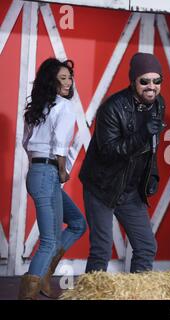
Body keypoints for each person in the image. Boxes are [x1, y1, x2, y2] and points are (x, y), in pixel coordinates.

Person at [79, 53, 165, 273]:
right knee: (101, 250)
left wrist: (151, 175)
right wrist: (142, 134)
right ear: (133, 81)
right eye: (144, 81)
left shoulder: (158, 104)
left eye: (157, 81)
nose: (151, 87)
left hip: (130, 190)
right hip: (102, 187)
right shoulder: (112, 108)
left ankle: (136, 295)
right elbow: (109, 152)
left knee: (146, 246)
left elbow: (151, 149)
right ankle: (92, 297)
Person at [20, 58, 87, 299]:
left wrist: (43, 171)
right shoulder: (64, 107)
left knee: (78, 223)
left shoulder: (37, 108)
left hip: (36, 173)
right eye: (62, 78)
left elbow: (27, 145)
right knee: (49, 240)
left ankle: (45, 275)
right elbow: (60, 146)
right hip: (49, 173)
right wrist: (61, 171)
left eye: (69, 78)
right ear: (51, 81)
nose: (68, 83)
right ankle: (27, 293)